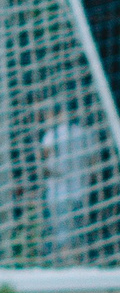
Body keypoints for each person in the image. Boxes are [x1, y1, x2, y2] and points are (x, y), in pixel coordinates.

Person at [39, 102, 97, 264]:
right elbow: (93, 163)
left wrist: (56, 172)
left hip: (58, 192)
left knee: (62, 232)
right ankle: (79, 262)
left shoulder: (52, 135)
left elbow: (45, 165)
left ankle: (67, 264)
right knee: (78, 231)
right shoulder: (86, 134)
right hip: (81, 191)